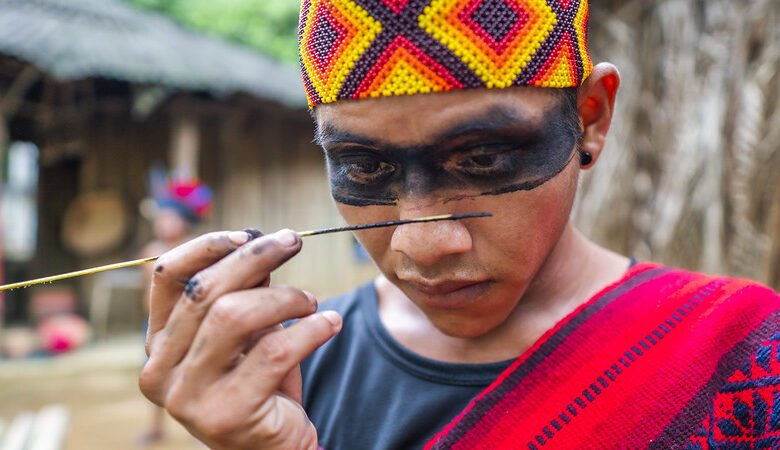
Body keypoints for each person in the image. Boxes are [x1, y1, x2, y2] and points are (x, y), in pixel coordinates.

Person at [138, 1, 780, 449]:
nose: (424, 245)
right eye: (363, 167)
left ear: (590, 117)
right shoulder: (297, 370)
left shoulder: (742, 354)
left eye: (483, 158)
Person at [137, 173, 212, 446]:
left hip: (189, 320)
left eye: (169, 217)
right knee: (153, 375)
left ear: (185, 221)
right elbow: (148, 293)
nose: (162, 223)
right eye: (160, 217)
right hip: (155, 323)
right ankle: (156, 427)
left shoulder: (196, 250)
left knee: (195, 373)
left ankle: (198, 431)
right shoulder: (150, 251)